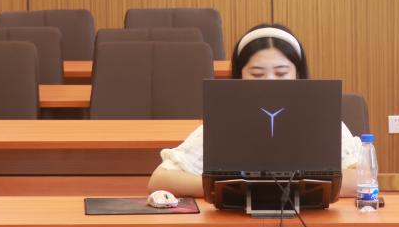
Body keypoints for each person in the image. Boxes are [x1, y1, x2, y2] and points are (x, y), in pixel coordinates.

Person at [148, 23, 362, 197]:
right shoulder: (225, 122)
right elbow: (160, 180)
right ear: (240, 76)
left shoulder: (320, 119)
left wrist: (286, 188)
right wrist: (228, 187)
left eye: (281, 74)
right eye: (257, 74)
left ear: (297, 74)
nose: (269, 83)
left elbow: (362, 180)